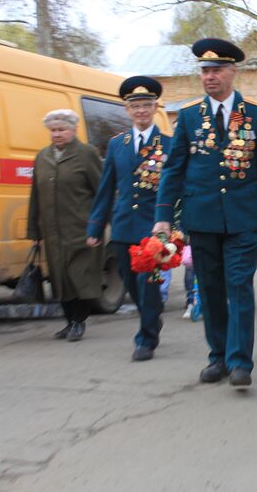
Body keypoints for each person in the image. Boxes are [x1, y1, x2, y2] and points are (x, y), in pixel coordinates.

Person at [153, 38, 257, 387]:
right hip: (203, 218)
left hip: (243, 219)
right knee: (210, 290)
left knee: (240, 286)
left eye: (216, 70)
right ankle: (218, 357)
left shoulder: (255, 114)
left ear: (232, 72)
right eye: (205, 71)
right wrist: (163, 215)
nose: (209, 77)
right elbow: (173, 169)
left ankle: (241, 361)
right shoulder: (188, 115)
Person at [86, 76, 170, 361]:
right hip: (123, 225)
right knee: (131, 282)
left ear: (155, 108)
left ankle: (145, 339)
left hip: (154, 226)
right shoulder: (117, 145)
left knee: (148, 284)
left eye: (147, 105)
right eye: (136, 106)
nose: (141, 111)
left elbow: (179, 189)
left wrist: (177, 225)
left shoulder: (168, 144)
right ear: (127, 110)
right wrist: (96, 226)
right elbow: (106, 187)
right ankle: (152, 315)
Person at [27, 109, 102, 342]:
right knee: (59, 277)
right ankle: (69, 322)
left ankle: (79, 321)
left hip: (80, 229)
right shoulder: (42, 156)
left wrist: (98, 226)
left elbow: (101, 191)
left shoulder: (87, 154)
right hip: (52, 231)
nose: (57, 134)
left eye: (62, 130)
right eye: (53, 130)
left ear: (74, 130)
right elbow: (35, 195)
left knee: (77, 275)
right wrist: (34, 230)